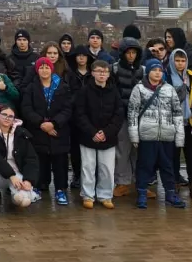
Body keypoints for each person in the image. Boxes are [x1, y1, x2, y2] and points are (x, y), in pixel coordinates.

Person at [127, 58, 185, 209]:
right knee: (145, 166)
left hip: (167, 135)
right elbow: (132, 114)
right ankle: (141, 193)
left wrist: (179, 136)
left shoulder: (169, 89)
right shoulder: (139, 89)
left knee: (168, 166)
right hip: (147, 135)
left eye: (160, 70)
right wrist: (134, 135)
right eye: (154, 70)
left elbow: (177, 113)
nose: (158, 73)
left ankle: (171, 194)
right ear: (148, 72)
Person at [19, 57, 71, 205]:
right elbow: (26, 108)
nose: (44, 70)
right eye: (41, 67)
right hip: (38, 130)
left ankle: (61, 190)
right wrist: (42, 123)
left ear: (51, 69)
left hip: (58, 131)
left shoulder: (62, 86)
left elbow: (67, 109)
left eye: (46, 67)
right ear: (37, 70)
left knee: (60, 162)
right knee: (40, 160)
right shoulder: (31, 87)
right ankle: (39, 187)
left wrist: (54, 123)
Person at [73, 60, 125, 209]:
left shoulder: (114, 91)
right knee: (88, 167)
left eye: (105, 71)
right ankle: (88, 195)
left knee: (107, 168)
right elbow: (80, 114)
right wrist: (92, 132)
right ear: (93, 72)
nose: (102, 74)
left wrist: (106, 132)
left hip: (108, 137)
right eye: (99, 71)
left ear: (109, 74)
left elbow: (118, 114)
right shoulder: (84, 91)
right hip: (88, 136)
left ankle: (105, 196)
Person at [0, 105, 38, 214]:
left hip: (17, 173)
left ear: (14, 119)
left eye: (10, 116)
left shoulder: (22, 134)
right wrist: (11, 175)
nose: (7, 118)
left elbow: (31, 159)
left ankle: (17, 199)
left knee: (24, 201)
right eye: (4, 115)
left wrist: (29, 180)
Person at [167, 48, 192, 197]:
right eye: (177, 61)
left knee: (191, 155)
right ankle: (174, 183)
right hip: (172, 123)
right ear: (172, 61)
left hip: (190, 123)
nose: (180, 64)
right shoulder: (166, 77)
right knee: (173, 155)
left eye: (183, 61)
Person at [111, 36, 144, 198]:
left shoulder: (143, 70)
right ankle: (122, 182)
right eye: (128, 52)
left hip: (140, 116)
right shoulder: (115, 69)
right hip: (122, 115)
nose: (131, 56)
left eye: (134, 53)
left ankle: (141, 183)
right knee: (122, 149)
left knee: (139, 151)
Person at [62, 45, 94, 190]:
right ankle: (76, 175)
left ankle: (89, 176)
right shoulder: (69, 74)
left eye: (84, 55)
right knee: (74, 149)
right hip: (73, 116)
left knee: (89, 147)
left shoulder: (93, 74)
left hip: (90, 116)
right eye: (78, 55)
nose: (81, 58)